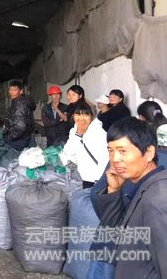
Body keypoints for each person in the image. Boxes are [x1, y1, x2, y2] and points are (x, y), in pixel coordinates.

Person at [93, 117, 167, 278]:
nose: (114, 159)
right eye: (110, 151)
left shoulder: (158, 199)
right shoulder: (144, 186)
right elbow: (116, 230)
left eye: (123, 151)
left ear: (149, 153)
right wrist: (114, 190)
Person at [60, 105, 109, 188]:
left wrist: (99, 180)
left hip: (96, 178)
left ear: (91, 117)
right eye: (78, 114)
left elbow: (105, 157)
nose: (81, 118)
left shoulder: (99, 132)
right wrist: (78, 134)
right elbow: (68, 151)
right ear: (73, 116)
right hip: (83, 176)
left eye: (86, 115)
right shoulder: (74, 131)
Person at [2, 80, 35, 151]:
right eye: (10, 89)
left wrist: (9, 137)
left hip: (18, 139)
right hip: (22, 137)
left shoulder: (20, 104)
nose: (12, 92)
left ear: (21, 91)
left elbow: (20, 126)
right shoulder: (18, 101)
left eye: (15, 90)